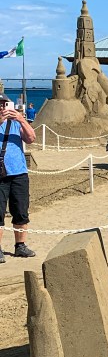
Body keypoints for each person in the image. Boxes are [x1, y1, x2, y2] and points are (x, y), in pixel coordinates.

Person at [0, 92, 36, 262]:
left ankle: (20, 246)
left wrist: (21, 119)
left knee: (21, 211)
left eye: (4, 104)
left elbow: (31, 138)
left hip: (19, 174)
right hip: (1, 176)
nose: (2, 108)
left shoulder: (15, 123)